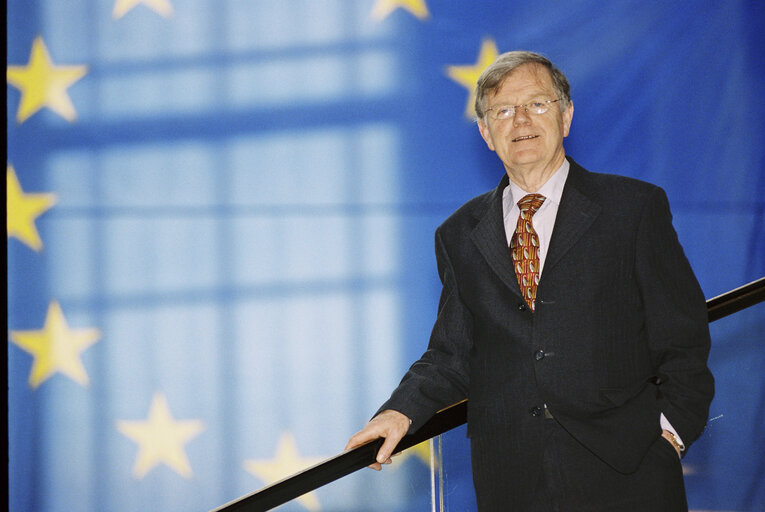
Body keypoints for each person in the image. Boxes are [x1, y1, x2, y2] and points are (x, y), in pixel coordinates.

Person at [345, 51, 714, 511]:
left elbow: (683, 337)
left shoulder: (633, 209)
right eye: (502, 110)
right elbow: (452, 353)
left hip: (630, 473)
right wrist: (399, 412)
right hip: (511, 483)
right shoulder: (458, 233)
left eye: (537, 104)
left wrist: (669, 437)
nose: (520, 119)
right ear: (485, 132)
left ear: (566, 115)